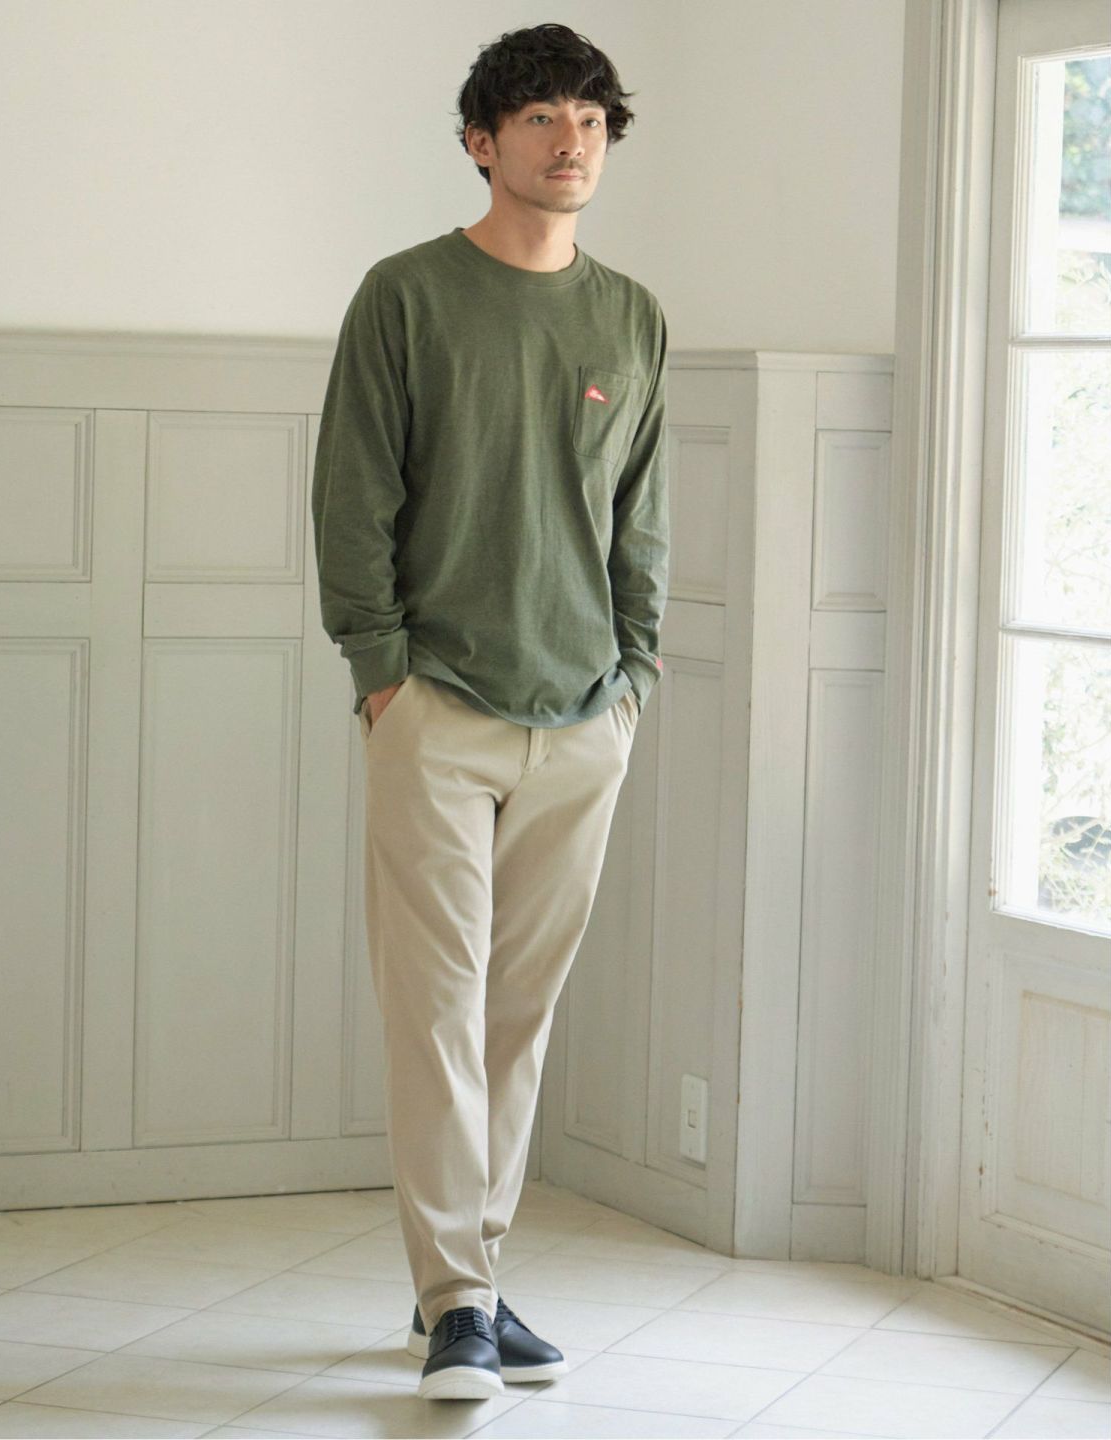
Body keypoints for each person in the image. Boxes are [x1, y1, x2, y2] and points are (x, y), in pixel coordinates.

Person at [311, 20, 669, 1402]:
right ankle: (456, 1300)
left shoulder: (632, 316)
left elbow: (640, 516)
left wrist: (633, 678)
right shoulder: (405, 296)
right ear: (481, 141)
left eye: (590, 119)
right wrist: (381, 673)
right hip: (437, 708)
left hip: (585, 714)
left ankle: (475, 1281)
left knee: (517, 1016)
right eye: (540, 118)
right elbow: (355, 496)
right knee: (437, 1011)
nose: (572, 141)